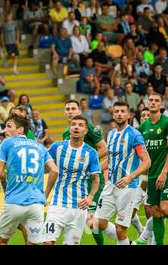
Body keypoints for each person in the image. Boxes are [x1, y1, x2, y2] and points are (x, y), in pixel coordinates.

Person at [93, 101, 151, 245]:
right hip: (110, 185)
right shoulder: (111, 134)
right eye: (117, 111)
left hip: (128, 187)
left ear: (128, 114)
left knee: (120, 230)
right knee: (96, 223)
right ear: (113, 114)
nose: (119, 114)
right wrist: (94, 169)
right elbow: (111, 160)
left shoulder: (135, 135)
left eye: (122, 111)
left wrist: (130, 177)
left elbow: (146, 161)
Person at [0, 115, 59, 245]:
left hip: (13, 202)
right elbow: (55, 170)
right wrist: (45, 193)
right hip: (36, 204)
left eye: (8, 126)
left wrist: (11, 176)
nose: (4, 130)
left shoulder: (7, 143)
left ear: (20, 130)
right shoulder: (39, 146)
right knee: (33, 243)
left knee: (1, 241)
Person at [43, 116, 101, 245]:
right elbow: (42, 163)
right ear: (69, 128)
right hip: (57, 205)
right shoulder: (56, 147)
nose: (76, 127)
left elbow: (96, 179)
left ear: (85, 131)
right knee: (47, 242)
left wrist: (90, 197)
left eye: (80, 125)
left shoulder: (91, 153)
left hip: (79, 207)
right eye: (73, 124)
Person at [63, 99, 109, 244]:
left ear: (79, 111)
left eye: (73, 108)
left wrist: (88, 163)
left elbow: (104, 148)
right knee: (83, 221)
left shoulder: (89, 127)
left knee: (90, 220)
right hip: (78, 182)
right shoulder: (66, 132)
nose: (70, 111)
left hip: (93, 179)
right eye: (68, 109)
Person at [136, 93, 168, 245]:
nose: (153, 102)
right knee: (155, 212)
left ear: (161, 105)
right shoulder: (143, 126)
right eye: (151, 100)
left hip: (165, 173)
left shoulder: (166, 123)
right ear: (147, 104)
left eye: (157, 100)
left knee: (165, 208)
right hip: (151, 175)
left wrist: (164, 172)